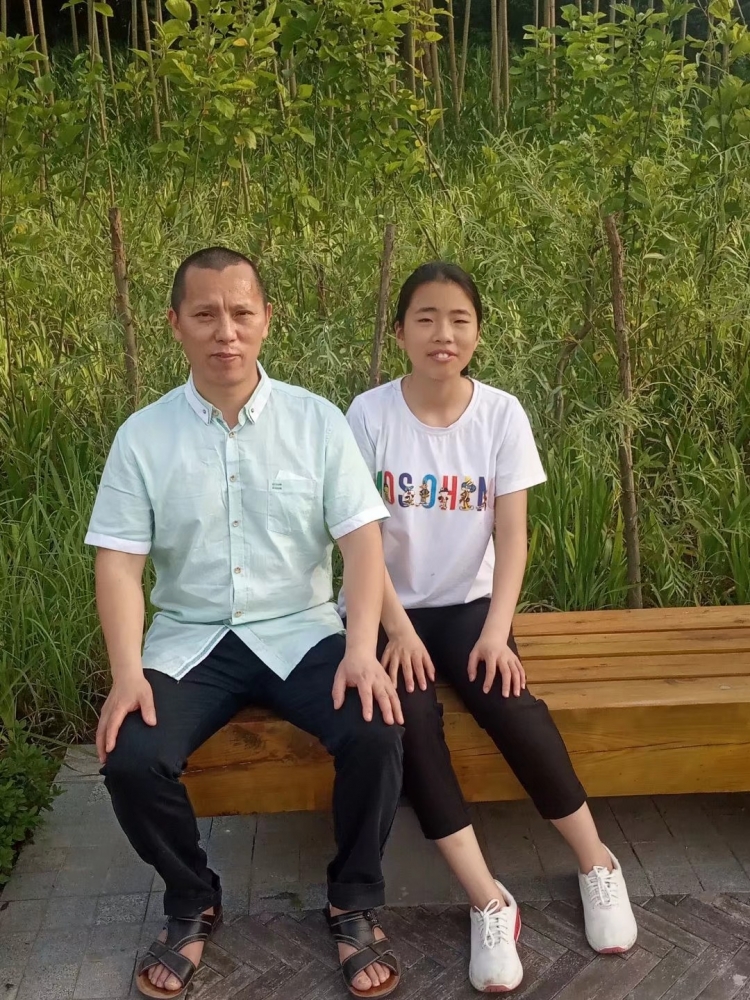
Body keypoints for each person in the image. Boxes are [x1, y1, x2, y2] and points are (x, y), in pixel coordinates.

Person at [86, 247, 404, 999]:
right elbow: (119, 567)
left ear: (266, 319)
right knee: (130, 756)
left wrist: (362, 649)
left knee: (376, 726)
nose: (224, 331)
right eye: (205, 314)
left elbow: (363, 544)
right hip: (192, 639)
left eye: (240, 313)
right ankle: (192, 898)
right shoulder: (143, 436)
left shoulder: (316, 421)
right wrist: (127, 674)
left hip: (301, 631)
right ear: (175, 324)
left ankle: (353, 898)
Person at [340, 262, 638, 993]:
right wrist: (395, 630)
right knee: (408, 720)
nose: (442, 334)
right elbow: (360, 537)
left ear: (477, 332)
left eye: (459, 320)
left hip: (472, 607)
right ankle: (489, 901)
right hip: (387, 608)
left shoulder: (501, 414)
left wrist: (498, 632)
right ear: (400, 331)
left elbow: (513, 534)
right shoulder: (369, 415)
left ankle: (597, 862)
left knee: (509, 701)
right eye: (426, 318)